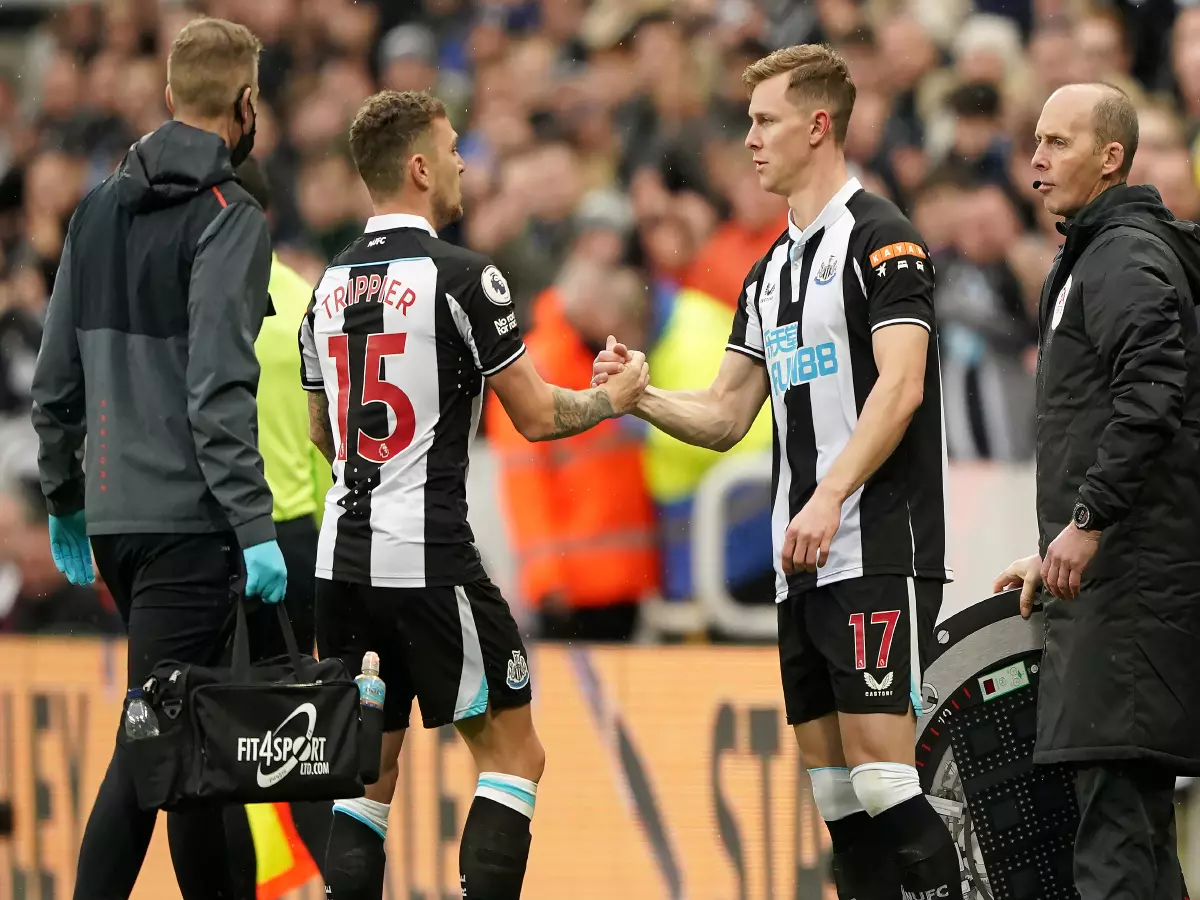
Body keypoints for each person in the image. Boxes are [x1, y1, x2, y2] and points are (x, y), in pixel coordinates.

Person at [593, 44, 959, 899]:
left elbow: (901, 387)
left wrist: (831, 495)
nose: (749, 139)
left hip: (875, 544)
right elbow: (725, 415)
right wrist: (639, 397)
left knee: (880, 778)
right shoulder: (768, 272)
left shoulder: (883, 241)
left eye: (765, 121)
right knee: (836, 798)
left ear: (819, 124)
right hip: (804, 563)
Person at [300, 90, 648, 900]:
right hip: (428, 557)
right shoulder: (462, 278)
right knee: (514, 757)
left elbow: (325, 432)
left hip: (340, 563)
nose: (463, 164)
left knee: (367, 777)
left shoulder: (326, 286)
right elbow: (534, 414)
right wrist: (614, 400)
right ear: (419, 168)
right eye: (452, 149)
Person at [29, 17, 286, 900]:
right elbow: (218, 389)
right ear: (246, 105)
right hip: (190, 527)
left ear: (171, 97)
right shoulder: (229, 216)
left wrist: (65, 498)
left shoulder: (96, 206)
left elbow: (54, 380)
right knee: (154, 739)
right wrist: (255, 528)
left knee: (195, 752)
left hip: (116, 521)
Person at [994, 81, 1200, 900]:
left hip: (1129, 598)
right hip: (1120, 587)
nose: (1037, 162)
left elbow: (1154, 396)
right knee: (1138, 842)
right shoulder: (1098, 253)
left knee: (1113, 848)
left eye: (1058, 144)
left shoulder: (1121, 256)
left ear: (1111, 157)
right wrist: (1063, 545)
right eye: (1036, 143)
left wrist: (1088, 522)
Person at [226, 156, 332, 900]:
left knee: (221, 741)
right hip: (300, 536)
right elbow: (329, 440)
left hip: (228, 540)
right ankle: (340, 881)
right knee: (297, 739)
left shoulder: (205, 304)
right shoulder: (306, 302)